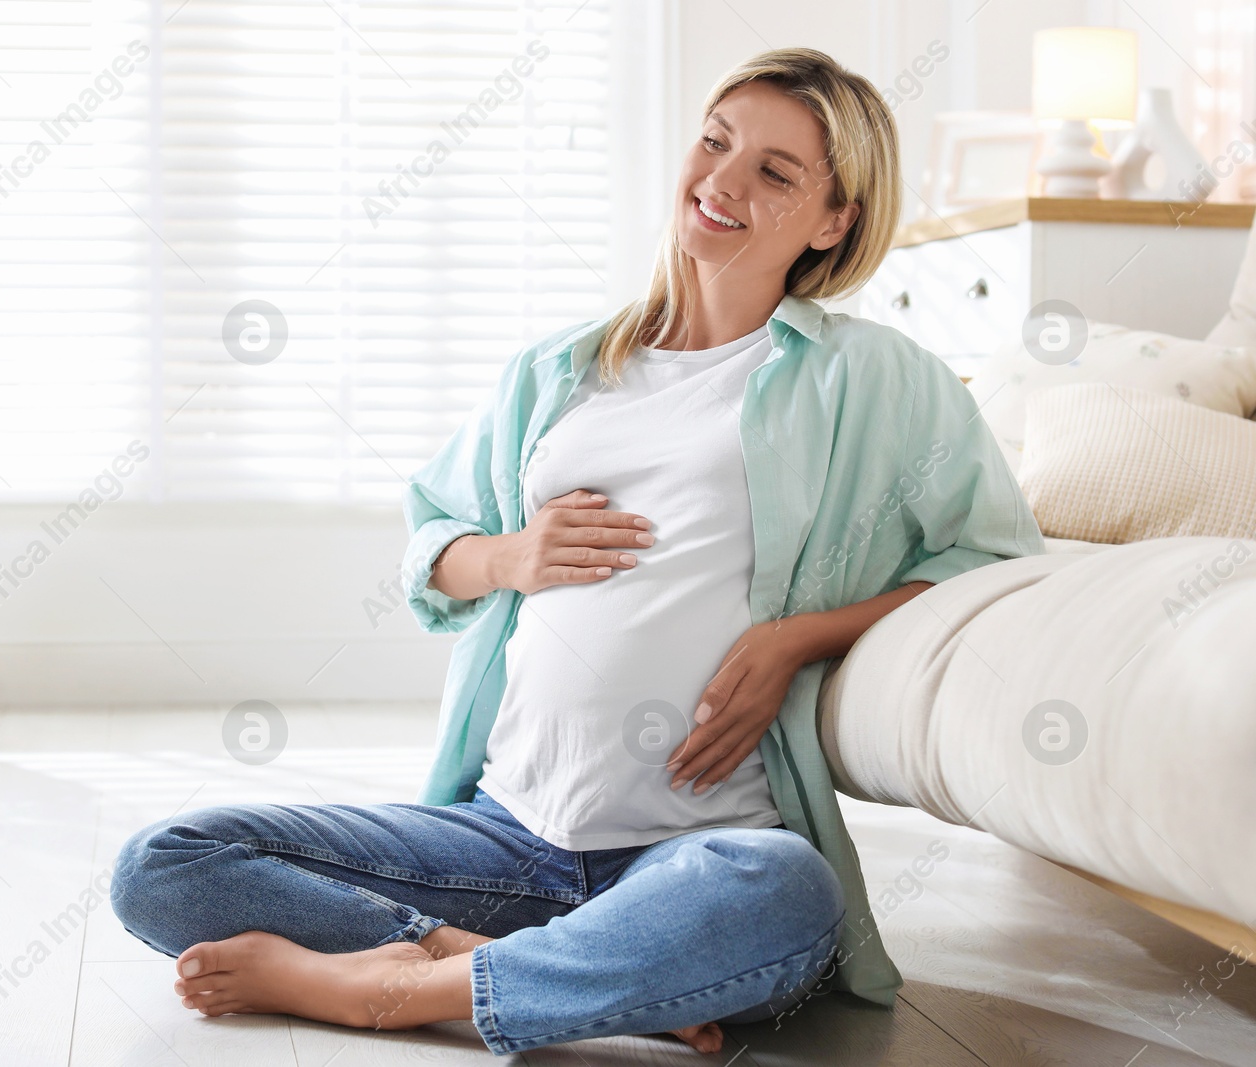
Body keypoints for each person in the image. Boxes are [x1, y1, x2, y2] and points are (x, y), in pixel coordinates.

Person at [110, 46, 1045, 1056]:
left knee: (785, 895)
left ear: (834, 221)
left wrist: (793, 641)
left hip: (695, 848)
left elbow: (993, 557)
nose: (723, 180)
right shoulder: (557, 371)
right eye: (715, 141)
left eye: (775, 172)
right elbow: (431, 549)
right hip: (503, 835)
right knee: (164, 861)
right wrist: (510, 556)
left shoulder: (873, 376)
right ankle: (515, 965)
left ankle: (391, 987)